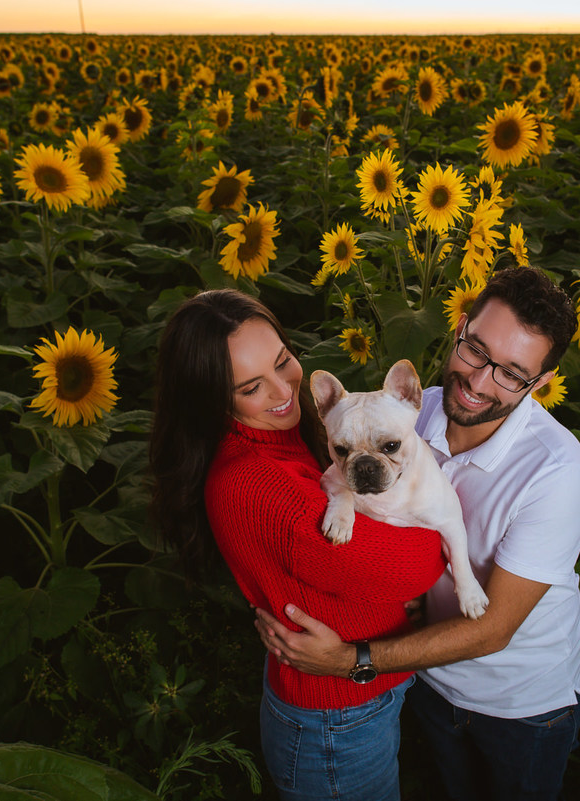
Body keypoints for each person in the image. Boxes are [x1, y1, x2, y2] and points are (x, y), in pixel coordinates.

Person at [255, 267, 580, 801]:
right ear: (459, 328)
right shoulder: (409, 408)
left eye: (511, 373)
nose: (480, 381)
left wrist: (352, 661)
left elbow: (493, 629)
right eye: (476, 351)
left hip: (517, 703)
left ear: (542, 383)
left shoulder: (557, 472)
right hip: (421, 677)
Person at [149, 288, 446, 801]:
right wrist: (429, 526)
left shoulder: (290, 437)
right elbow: (415, 567)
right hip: (336, 719)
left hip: (357, 691)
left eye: (283, 361)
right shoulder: (259, 483)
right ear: (212, 397)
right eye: (250, 387)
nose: (283, 390)